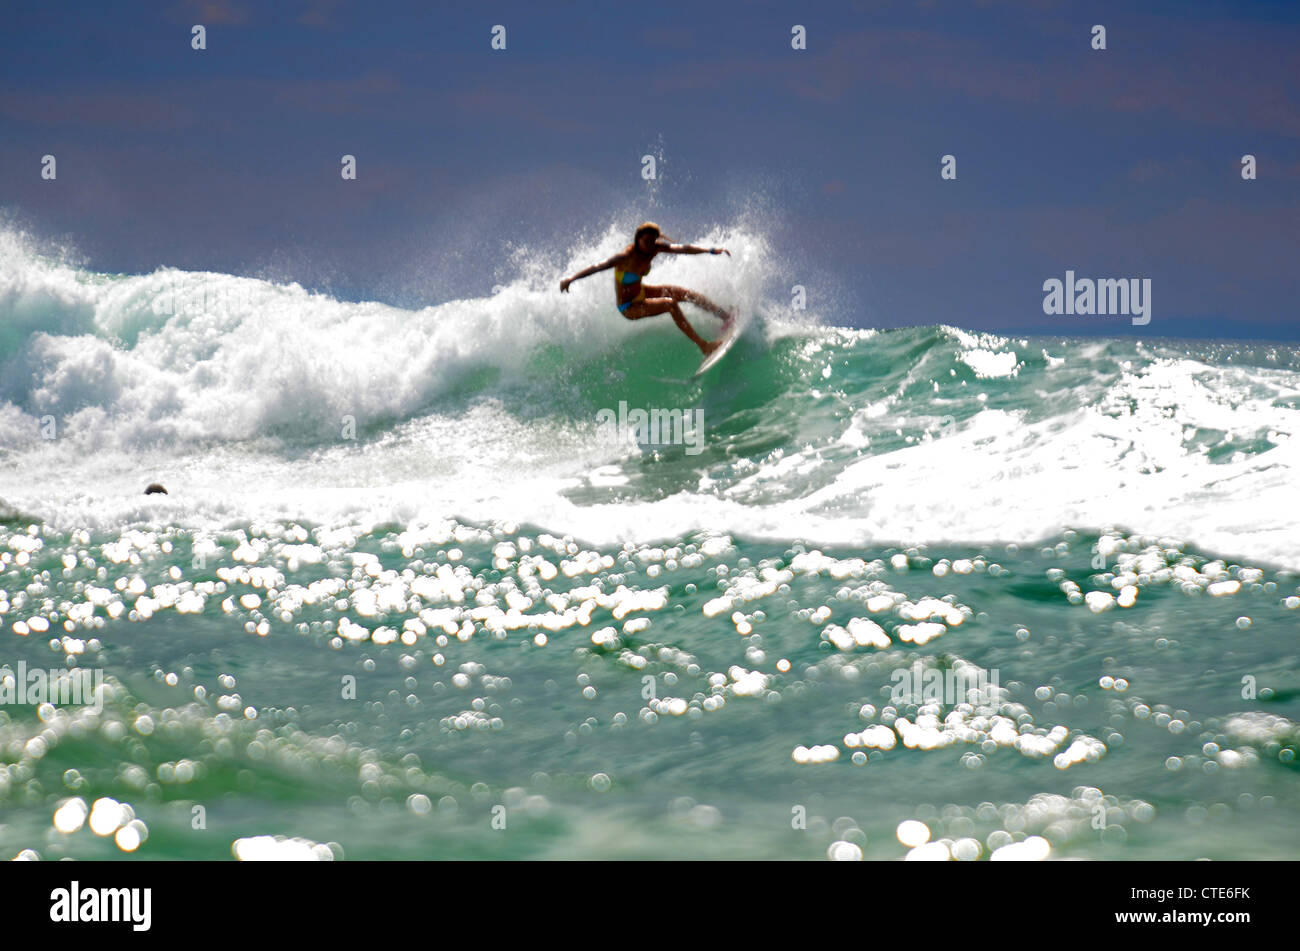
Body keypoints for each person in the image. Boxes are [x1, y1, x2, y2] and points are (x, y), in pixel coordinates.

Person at [560, 222, 732, 355]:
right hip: (629, 307)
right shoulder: (626, 257)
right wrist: (571, 279)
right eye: (646, 241)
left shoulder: (654, 249)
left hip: (641, 292)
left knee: (684, 293)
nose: (649, 245)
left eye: (652, 241)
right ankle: (704, 346)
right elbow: (597, 267)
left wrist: (710, 250)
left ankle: (725, 316)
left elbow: (683, 249)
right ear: (638, 239)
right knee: (670, 304)